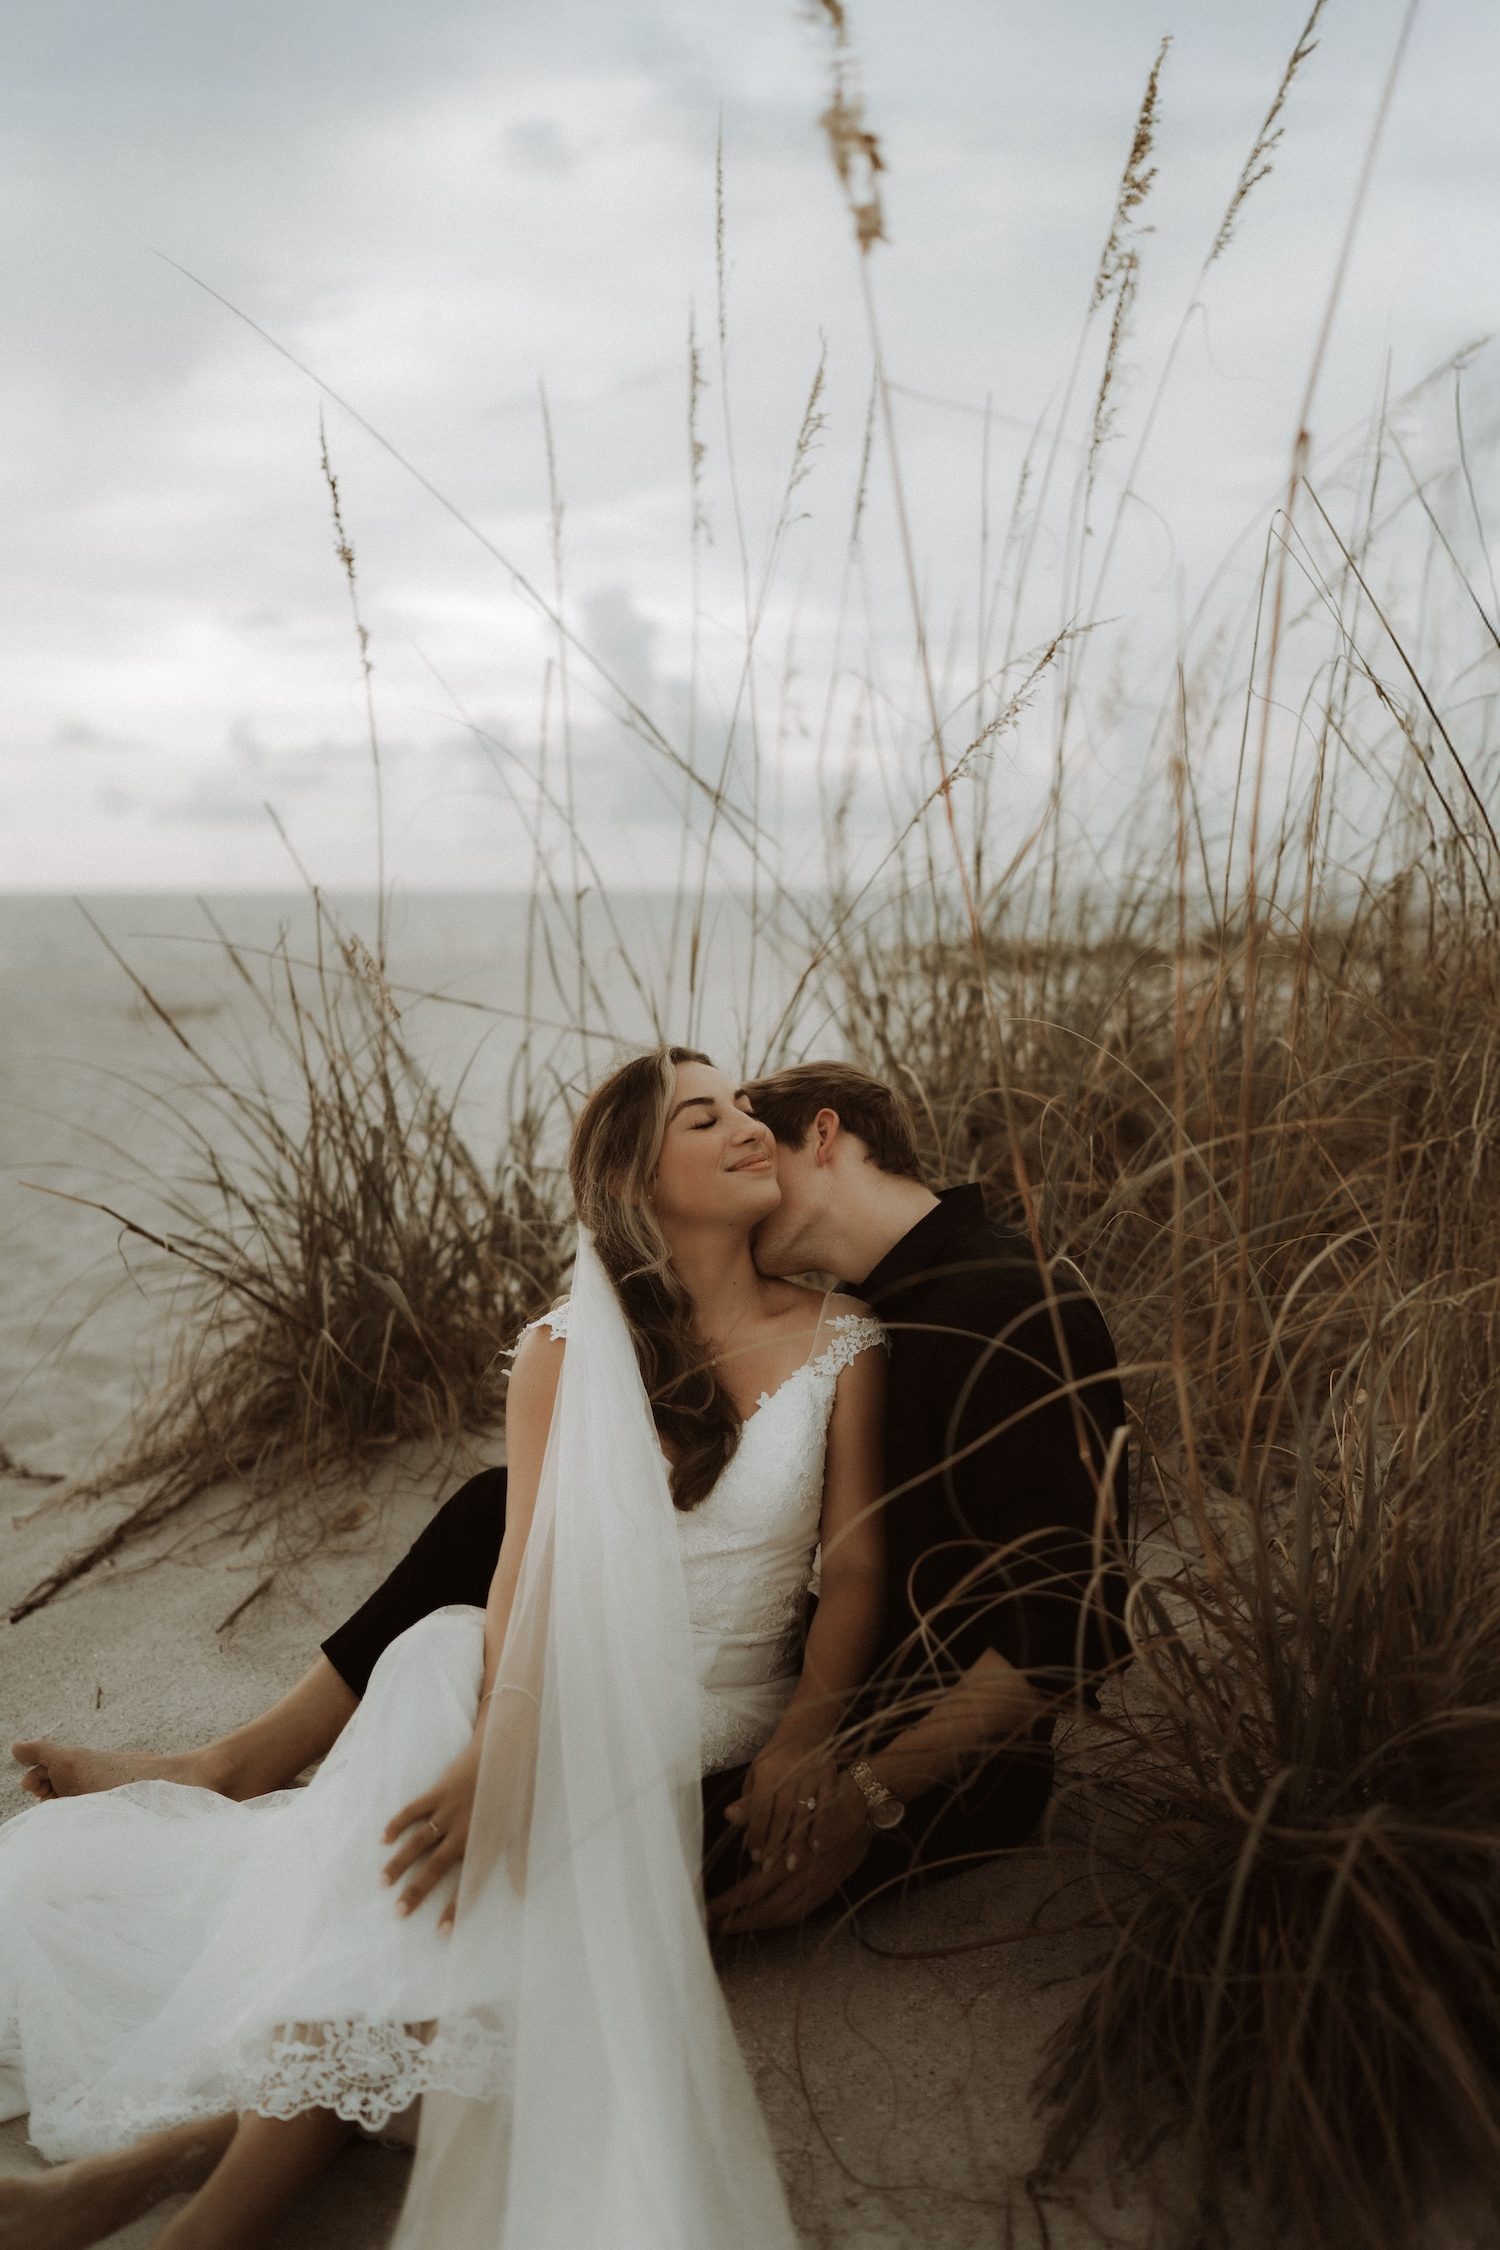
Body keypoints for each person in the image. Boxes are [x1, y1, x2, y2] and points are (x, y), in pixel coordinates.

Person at [0, 1048, 889, 2250]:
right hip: (544, 1690)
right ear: (639, 1180)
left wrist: (803, 1736)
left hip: (702, 1724)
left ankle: (157, 2191)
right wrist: (501, 1751)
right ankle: (200, 2228)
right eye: (706, 1116)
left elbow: (858, 1576)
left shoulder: (843, 1340)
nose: (749, 1127)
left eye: (742, 1107)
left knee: (431, 1919)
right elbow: (520, 1565)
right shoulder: (566, 1348)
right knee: (438, 1659)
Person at [16, 1061, 1133, 1930]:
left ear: (821, 1139)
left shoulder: (1003, 1303)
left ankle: (202, 2146)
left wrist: (864, 1796)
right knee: (498, 1507)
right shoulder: (878, 1302)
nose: (740, 1153)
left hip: (918, 1774)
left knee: (514, 1897)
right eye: (710, 1126)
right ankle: (233, 1765)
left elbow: (1070, 1624)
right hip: (813, 1708)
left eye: (750, 1128)